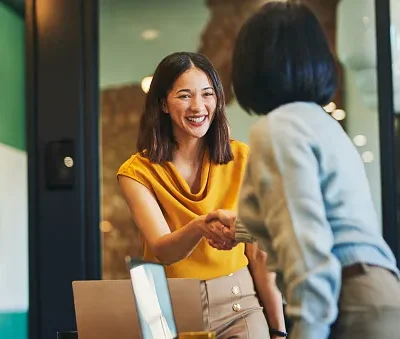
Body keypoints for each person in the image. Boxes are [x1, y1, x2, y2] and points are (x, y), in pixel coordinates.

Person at [206, 2, 400, 339]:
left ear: (255, 64)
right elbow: (322, 219)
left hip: (348, 301)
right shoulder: (321, 123)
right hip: (375, 293)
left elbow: (306, 252)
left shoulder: (278, 130)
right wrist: (239, 229)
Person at [117, 52, 286, 338]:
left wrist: (279, 331)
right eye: (184, 96)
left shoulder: (243, 159)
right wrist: (200, 226)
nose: (198, 106)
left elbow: (259, 255)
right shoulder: (136, 173)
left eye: (207, 94)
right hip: (168, 312)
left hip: (240, 305)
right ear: (163, 104)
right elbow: (163, 250)